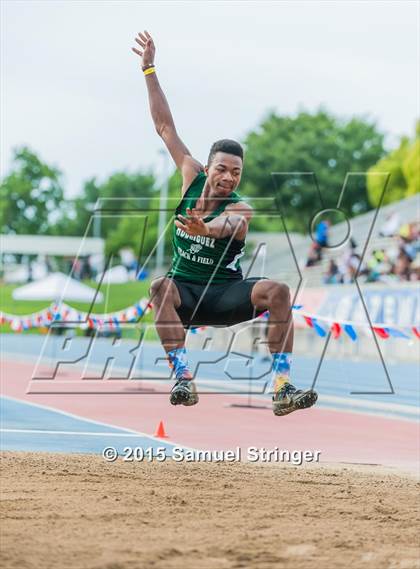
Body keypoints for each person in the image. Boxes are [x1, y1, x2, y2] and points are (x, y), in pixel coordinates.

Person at [132, 31, 317, 416]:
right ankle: (183, 378)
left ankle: (282, 386)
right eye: (222, 169)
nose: (229, 178)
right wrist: (149, 69)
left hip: (225, 294)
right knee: (158, 286)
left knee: (279, 290)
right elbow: (164, 127)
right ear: (209, 166)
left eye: (236, 172)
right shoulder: (190, 174)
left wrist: (208, 229)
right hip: (186, 294)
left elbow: (229, 224)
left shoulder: (241, 208)